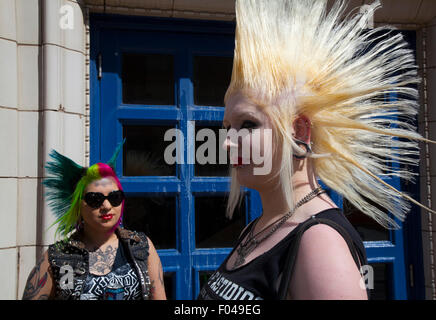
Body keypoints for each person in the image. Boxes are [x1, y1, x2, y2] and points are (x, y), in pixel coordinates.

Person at [198, 0, 435, 300]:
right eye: (227, 128)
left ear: (299, 132)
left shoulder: (319, 242)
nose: (228, 142)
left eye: (247, 124)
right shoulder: (259, 228)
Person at [22, 145, 166, 300]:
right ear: (78, 206)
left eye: (114, 197)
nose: (106, 206)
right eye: (95, 199)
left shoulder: (141, 246)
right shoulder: (60, 257)